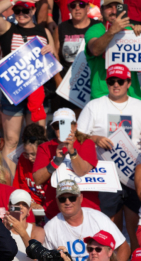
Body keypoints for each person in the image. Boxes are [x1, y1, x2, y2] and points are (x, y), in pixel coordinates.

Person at [0, 0, 55, 174]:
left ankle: (37, 183)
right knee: (11, 141)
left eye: (26, 10)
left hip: (37, 92)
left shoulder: (44, 31)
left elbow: (54, 61)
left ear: (33, 10)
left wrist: (51, 50)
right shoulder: (8, 29)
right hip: (14, 92)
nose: (21, 14)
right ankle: (8, 184)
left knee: (37, 141)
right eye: (18, 11)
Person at [77, 63, 141, 251]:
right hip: (105, 175)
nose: (116, 84)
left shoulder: (139, 106)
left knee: (133, 225)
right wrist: (94, 138)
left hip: (133, 174)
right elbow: (77, 135)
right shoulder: (94, 106)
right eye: (111, 80)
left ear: (129, 82)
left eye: (120, 81)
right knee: (110, 228)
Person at [33, 108, 100, 219]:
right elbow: (37, 179)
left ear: (75, 126)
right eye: (57, 126)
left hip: (87, 212)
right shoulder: (45, 147)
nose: (60, 129)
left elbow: (82, 171)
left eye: (65, 125)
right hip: (55, 213)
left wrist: (72, 152)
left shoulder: (87, 143)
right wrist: (55, 162)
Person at [43, 180, 130, 261]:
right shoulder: (50, 227)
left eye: (72, 198)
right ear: (57, 201)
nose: (67, 202)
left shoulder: (98, 218)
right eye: (62, 199)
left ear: (80, 198)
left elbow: (123, 247)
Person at [85, 0, 141, 100]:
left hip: (132, 98)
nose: (114, 11)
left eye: (118, 7)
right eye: (109, 7)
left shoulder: (132, 30)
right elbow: (95, 50)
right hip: (103, 97)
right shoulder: (94, 30)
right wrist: (112, 31)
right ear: (101, 10)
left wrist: (139, 37)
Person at [51, 0, 101, 115]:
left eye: (82, 4)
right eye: (73, 5)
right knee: (67, 130)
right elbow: (54, 56)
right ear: (68, 8)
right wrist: (58, 81)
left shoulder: (98, 27)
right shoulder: (61, 28)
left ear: (88, 7)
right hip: (67, 88)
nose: (77, 8)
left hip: (91, 85)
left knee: (90, 128)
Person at [4, 189, 45, 261]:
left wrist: (21, 231)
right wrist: (2, 231)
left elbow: (36, 258)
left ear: (29, 210)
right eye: (17, 204)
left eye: (24, 204)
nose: (20, 207)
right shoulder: (1, 227)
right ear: (9, 207)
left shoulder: (37, 231)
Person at [13, 123, 47, 206]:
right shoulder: (23, 159)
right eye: (27, 154)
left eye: (33, 154)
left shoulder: (50, 160)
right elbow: (20, 188)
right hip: (30, 205)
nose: (29, 158)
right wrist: (30, 203)